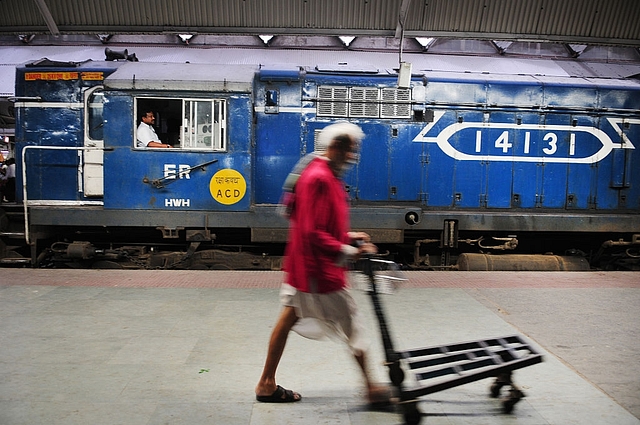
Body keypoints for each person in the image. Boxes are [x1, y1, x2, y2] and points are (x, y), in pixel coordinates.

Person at [255, 122, 389, 406]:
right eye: (351, 150)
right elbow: (311, 231)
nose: (353, 156)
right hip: (318, 272)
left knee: (288, 318)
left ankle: (266, 383)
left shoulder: (322, 172)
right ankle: (372, 388)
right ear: (336, 148)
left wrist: (348, 236)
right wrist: (346, 250)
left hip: (304, 267)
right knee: (353, 324)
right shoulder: (320, 178)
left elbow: (318, 221)